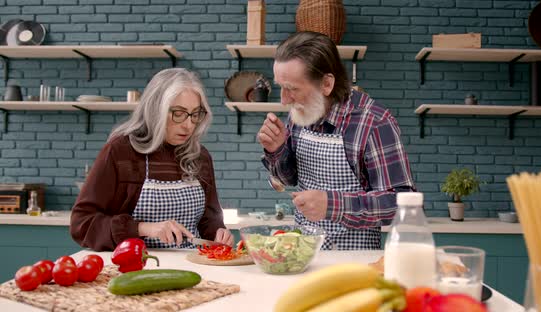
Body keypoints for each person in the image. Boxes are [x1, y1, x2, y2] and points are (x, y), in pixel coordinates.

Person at [258, 32, 415, 250]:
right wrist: (276, 150)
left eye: (292, 89)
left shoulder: (374, 123)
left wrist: (333, 205)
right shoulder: (302, 111)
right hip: (304, 254)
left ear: (326, 84)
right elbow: (289, 179)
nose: (284, 100)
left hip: (354, 262)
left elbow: (402, 205)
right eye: (280, 87)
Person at [71, 68, 233, 251]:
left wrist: (218, 233)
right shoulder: (120, 152)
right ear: (156, 109)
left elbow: (209, 219)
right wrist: (143, 228)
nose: (188, 125)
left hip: (191, 266)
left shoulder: (200, 156)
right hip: (134, 267)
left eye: (195, 114)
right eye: (178, 113)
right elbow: (81, 223)